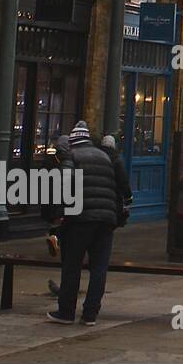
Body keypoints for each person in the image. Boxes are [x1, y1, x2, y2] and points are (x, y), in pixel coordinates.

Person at [46, 120, 132, 326]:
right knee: (99, 268)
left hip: (80, 219)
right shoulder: (105, 157)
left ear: (73, 142)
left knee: (72, 265)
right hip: (106, 219)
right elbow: (119, 186)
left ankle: (66, 312)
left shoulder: (72, 156)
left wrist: (57, 217)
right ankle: (90, 314)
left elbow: (63, 186)